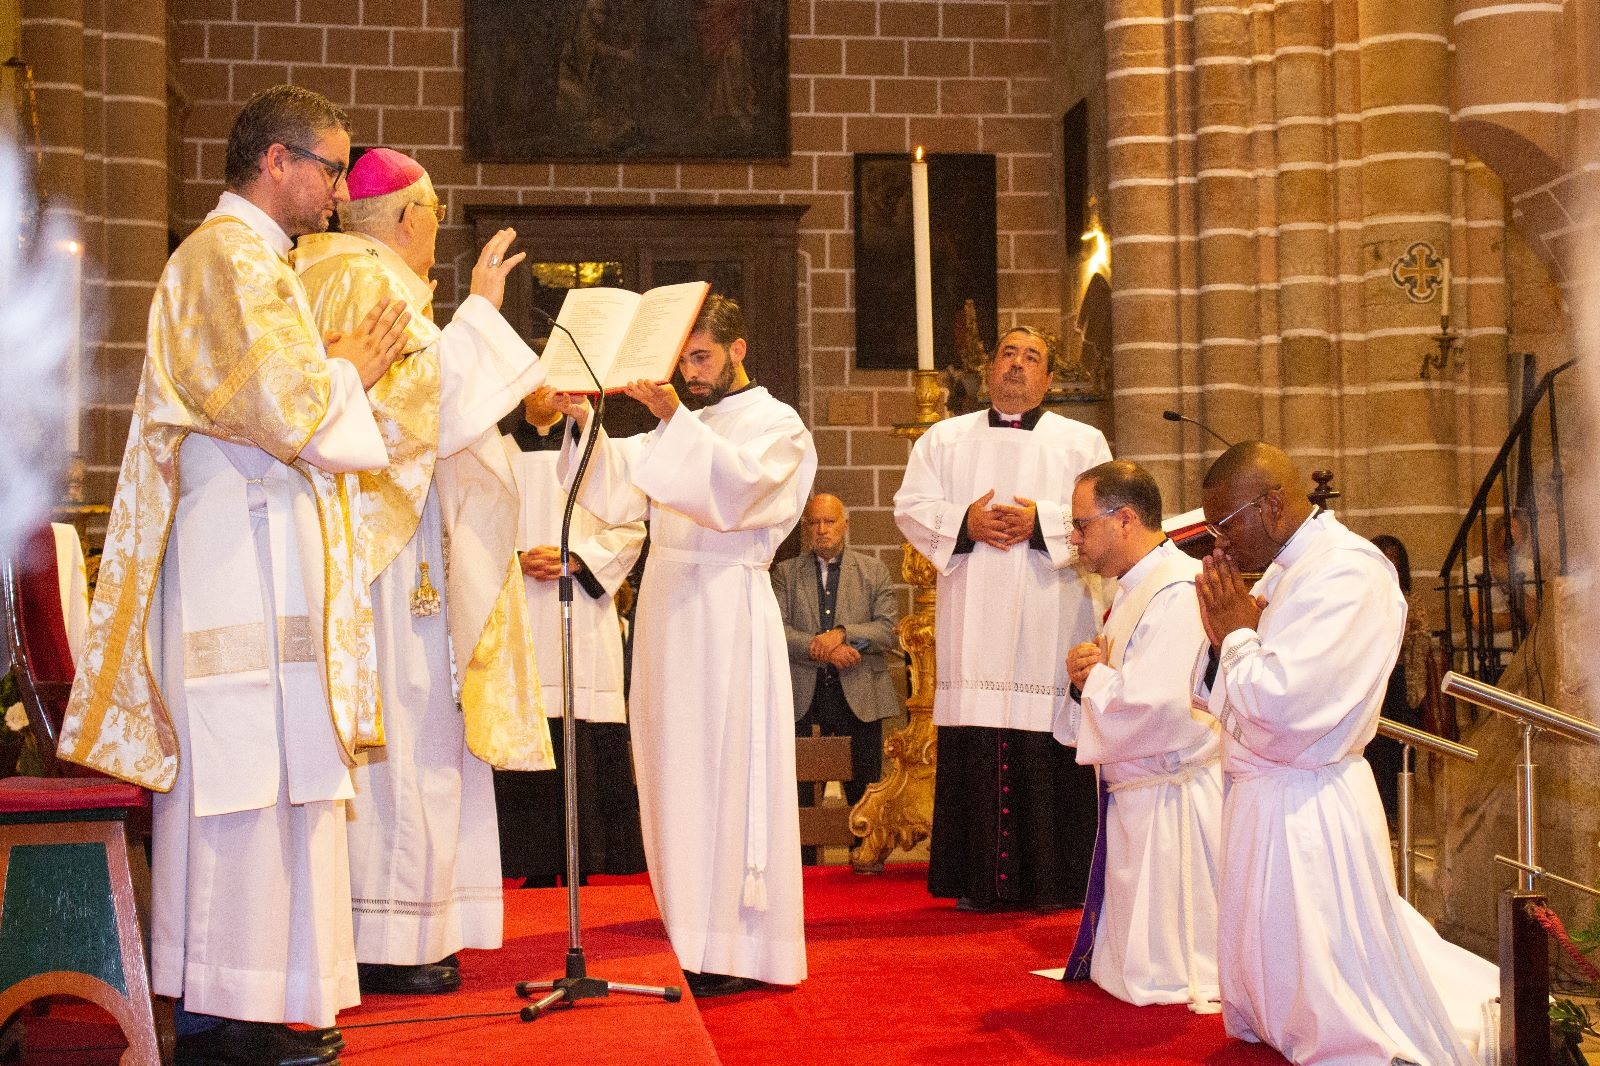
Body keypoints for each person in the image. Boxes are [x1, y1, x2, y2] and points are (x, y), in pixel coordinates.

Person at [56, 85, 413, 1063]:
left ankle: (257, 1002)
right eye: (330, 168)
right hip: (233, 560)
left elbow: (290, 408)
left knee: (279, 781)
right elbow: (288, 410)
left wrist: (337, 374)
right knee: (240, 784)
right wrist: (348, 369)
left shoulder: (261, 262)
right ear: (276, 161)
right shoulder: (226, 258)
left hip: (265, 552)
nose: (340, 190)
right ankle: (219, 1020)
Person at [292, 147, 553, 997]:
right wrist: (480, 312)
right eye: (435, 213)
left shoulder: (313, 269)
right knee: (406, 737)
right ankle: (394, 937)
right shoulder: (372, 282)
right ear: (409, 217)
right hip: (396, 557)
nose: (436, 229)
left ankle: (385, 927)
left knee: (400, 741)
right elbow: (419, 413)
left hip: (356, 546)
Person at [1194, 441, 1498, 1064]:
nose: (1219, 545)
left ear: (1271, 505)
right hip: (1267, 795)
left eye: (1225, 525)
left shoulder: (1348, 572)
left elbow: (1286, 710)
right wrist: (1223, 638)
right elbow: (1220, 694)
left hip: (1310, 801)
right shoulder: (1282, 570)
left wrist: (1236, 634)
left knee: (1337, 993)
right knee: (1280, 972)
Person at [552, 293, 815, 998]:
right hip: (668, 611)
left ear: (738, 350)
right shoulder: (682, 426)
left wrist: (673, 419)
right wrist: (582, 418)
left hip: (729, 610)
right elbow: (615, 487)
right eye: (683, 361)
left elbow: (737, 495)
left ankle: (733, 948)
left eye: (702, 357)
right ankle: (687, 936)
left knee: (726, 771)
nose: (691, 373)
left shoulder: (777, 425)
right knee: (673, 772)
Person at [892, 325, 1110, 912]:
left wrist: (1043, 524)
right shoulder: (944, 439)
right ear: (990, 369)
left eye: (1031, 356)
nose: (1017, 364)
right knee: (978, 736)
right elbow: (910, 507)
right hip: (974, 614)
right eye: (1007, 353)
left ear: (1048, 377)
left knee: (1048, 740)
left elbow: (1108, 514)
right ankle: (978, 883)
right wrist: (964, 523)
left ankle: (1055, 882)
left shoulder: (1083, 442)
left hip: (1051, 612)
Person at [1055, 460, 1222, 1012]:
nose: (1074, 538)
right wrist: (1087, 678)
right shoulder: (1134, 589)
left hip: (1171, 798)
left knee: (1168, 974)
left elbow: (1162, 706)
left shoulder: (1176, 589)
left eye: (1082, 524)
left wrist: (1096, 680)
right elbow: (1125, 684)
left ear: (1124, 519)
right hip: (1141, 795)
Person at [495, 384, 647, 886]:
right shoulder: (496, 454)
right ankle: (529, 862)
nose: (550, 392)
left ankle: (587, 858)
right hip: (517, 609)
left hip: (580, 609)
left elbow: (631, 527)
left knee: (579, 728)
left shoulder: (596, 455)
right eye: (538, 382)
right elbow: (467, 531)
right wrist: (514, 560)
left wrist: (576, 558)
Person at [770, 492, 902, 860]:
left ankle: (865, 862)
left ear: (845, 524)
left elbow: (888, 630)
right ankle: (803, 868)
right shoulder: (785, 574)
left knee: (863, 792)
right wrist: (824, 648)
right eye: (814, 522)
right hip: (804, 698)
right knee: (801, 796)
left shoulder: (873, 571)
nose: (822, 529)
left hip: (858, 699)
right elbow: (775, 629)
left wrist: (845, 635)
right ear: (805, 528)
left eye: (829, 521)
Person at [1368, 533, 1436, 822]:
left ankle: (1399, 811)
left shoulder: (1410, 598)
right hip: (1373, 681)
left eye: (1395, 558)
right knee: (1375, 747)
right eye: (1384, 557)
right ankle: (1379, 808)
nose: (1390, 563)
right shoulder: (1364, 597)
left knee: (1402, 747)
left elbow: (1420, 634)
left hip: (1403, 679)